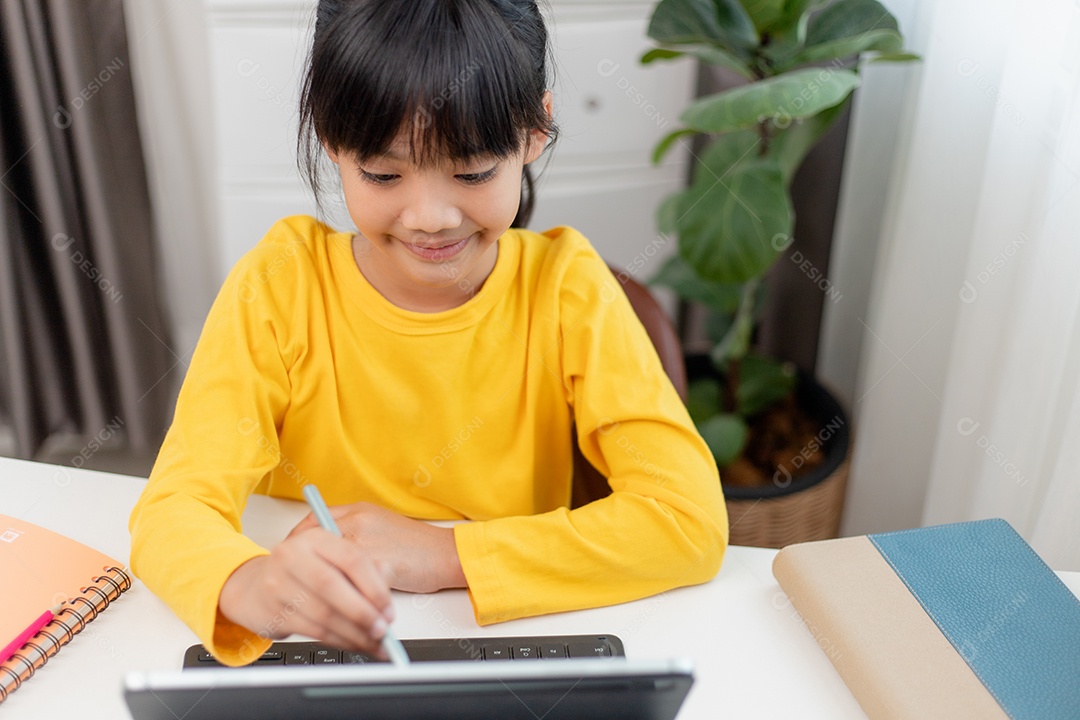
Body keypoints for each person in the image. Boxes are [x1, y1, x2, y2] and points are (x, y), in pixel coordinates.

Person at [129, 0, 728, 667]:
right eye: (383, 175)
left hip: (497, 651)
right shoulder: (280, 286)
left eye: (472, 173)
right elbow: (171, 510)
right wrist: (254, 586)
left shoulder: (568, 292)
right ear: (332, 141)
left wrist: (440, 554)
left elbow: (688, 520)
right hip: (320, 649)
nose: (429, 217)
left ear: (535, 131)